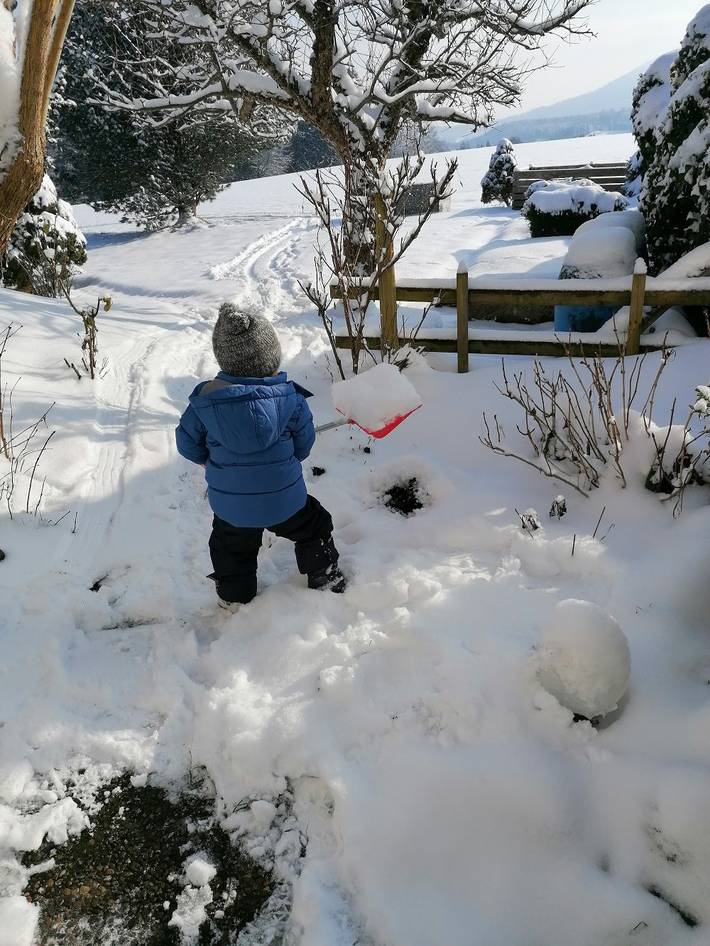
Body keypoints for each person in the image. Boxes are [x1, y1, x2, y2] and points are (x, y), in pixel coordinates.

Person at [176, 302, 346, 610]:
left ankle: (234, 596)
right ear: (271, 358)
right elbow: (304, 445)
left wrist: (209, 460)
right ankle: (325, 576)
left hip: (232, 508)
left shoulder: (205, 404)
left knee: (230, 548)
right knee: (315, 524)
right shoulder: (291, 399)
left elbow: (187, 445)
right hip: (286, 501)